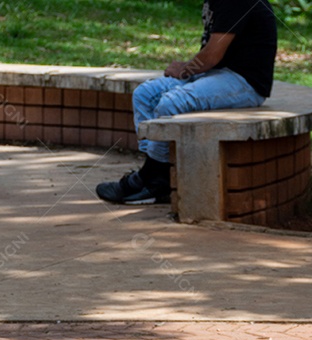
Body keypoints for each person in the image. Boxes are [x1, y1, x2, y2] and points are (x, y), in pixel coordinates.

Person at [96, 0, 277, 205]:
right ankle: (154, 173)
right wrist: (189, 68)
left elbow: (212, 55)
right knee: (145, 94)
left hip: (244, 82)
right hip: (216, 73)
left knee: (170, 103)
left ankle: (153, 179)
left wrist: (184, 69)